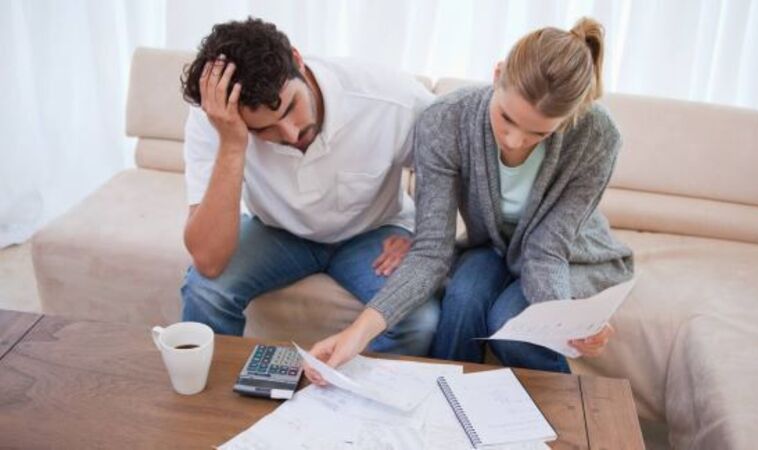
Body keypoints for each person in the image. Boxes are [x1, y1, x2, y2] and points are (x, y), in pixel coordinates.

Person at [306, 17, 634, 380]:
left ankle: (562, 412)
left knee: (511, 327)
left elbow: (547, 249)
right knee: (462, 299)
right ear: (497, 75)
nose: (514, 141)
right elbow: (431, 251)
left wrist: (565, 321)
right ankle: (444, 401)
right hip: (490, 247)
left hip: (567, 257)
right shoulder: (445, 120)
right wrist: (356, 334)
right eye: (506, 118)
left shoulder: (598, 135)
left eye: (537, 133)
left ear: (569, 117)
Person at [178, 18, 439, 357]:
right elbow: (209, 261)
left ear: (298, 60)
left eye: (290, 107)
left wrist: (425, 236)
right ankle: (218, 392)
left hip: (372, 231)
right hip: (277, 232)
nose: (290, 133)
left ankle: (362, 392)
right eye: (263, 130)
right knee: (205, 291)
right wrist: (231, 144)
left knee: (418, 320)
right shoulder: (216, 118)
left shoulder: (393, 99)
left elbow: (457, 166)